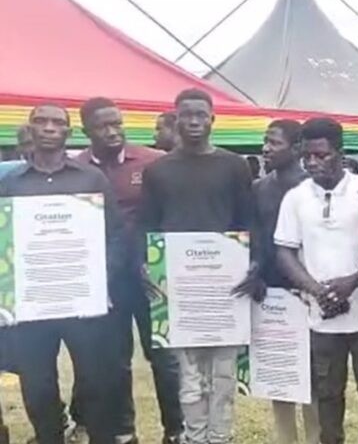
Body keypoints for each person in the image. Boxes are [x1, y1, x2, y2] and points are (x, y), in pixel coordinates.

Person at [3, 103, 125, 444]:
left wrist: (100, 278)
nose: (49, 128)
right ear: (30, 129)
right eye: (41, 121)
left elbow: (116, 234)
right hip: (31, 305)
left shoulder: (91, 179)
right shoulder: (10, 184)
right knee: (38, 385)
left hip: (83, 302)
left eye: (57, 123)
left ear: (68, 132)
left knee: (96, 382)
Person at [140, 88, 255, 444]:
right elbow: (147, 225)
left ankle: (220, 436)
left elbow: (248, 221)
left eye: (200, 115)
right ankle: (193, 436)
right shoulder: (157, 170)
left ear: (212, 119)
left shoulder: (234, 166)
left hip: (226, 286)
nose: (193, 121)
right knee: (188, 375)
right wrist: (143, 264)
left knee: (223, 373)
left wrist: (254, 264)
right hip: (179, 286)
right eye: (186, 115)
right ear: (175, 119)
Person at [74, 97, 183, 444]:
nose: (112, 132)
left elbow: (171, 213)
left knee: (164, 356)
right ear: (86, 131)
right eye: (103, 126)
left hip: (151, 277)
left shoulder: (154, 162)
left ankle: (176, 430)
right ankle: (123, 431)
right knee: (113, 360)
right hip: (105, 281)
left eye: (117, 124)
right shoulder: (76, 169)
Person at [276, 118, 358, 444]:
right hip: (321, 316)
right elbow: (284, 251)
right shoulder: (295, 198)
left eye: (321, 155)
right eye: (307, 156)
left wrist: (352, 282)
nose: (313, 163)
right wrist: (316, 290)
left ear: (340, 153)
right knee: (327, 392)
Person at [231, 119, 321, 444]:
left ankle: (315, 437)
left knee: (311, 377)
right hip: (269, 294)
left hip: (307, 293)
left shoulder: (313, 188)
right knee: (279, 376)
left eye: (274, 143)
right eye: (265, 141)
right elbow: (252, 237)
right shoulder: (258, 188)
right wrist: (253, 272)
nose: (266, 149)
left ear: (296, 148)